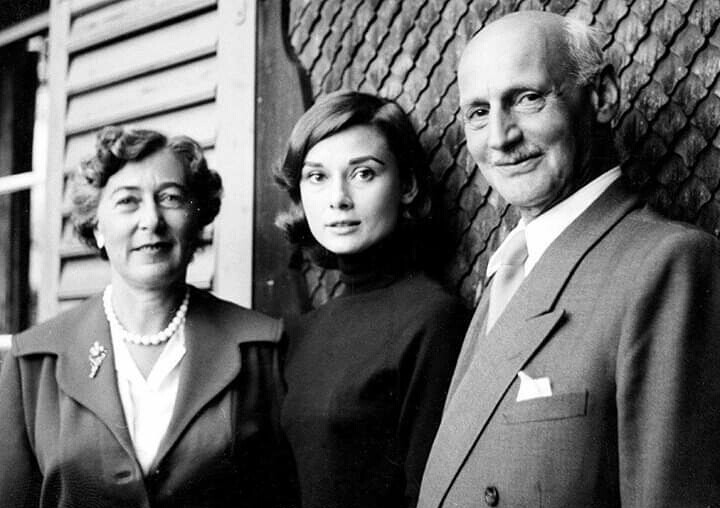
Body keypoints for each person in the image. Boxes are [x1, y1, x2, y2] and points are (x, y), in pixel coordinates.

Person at [418, 11, 720, 508]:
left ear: (600, 95)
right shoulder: (508, 270)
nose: (499, 137)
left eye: (527, 99)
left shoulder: (666, 263)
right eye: (477, 112)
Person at [0, 127, 297, 507]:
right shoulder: (34, 363)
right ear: (96, 226)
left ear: (197, 220)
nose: (151, 220)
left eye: (171, 198)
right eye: (127, 201)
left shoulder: (260, 350)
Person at [275, 90, 469, 508]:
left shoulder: (433, 319)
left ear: (408, 185)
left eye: (363, 173)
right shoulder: (301, 331)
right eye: (317, 176)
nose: (338, 198)